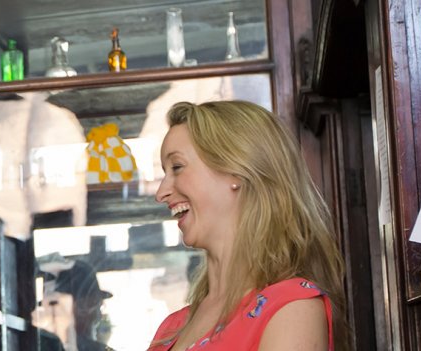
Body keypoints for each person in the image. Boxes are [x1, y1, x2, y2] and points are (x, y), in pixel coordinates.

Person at [147, 101, 348, 351]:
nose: (161, 193)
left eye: (177, 167)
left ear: (235, 171)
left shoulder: (291, 309)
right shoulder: (172, 328)